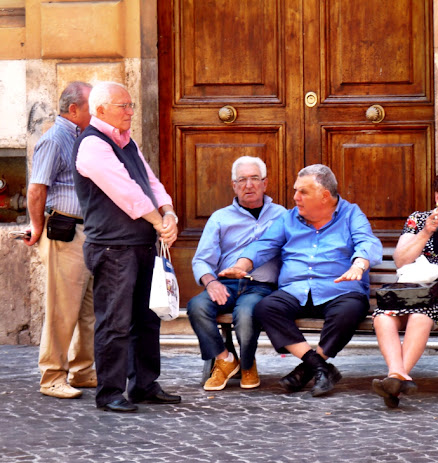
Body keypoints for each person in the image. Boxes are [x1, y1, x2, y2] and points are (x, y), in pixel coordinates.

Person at [220, 164, 382, 397]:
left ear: (324, 196)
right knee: (266, 308)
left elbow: (368, 242)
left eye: (303, 192)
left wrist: (359, 265)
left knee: (349, 310)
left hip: (339, 289)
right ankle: (319, 367)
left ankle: (305, 371)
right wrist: (240, 266)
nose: (295, 197)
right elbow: (263, 246)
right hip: (295, 290)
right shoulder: (288, 219)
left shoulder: (351, 214)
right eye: (296, 190)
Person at [72, 81, 181, 413]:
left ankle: (144, 384)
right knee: (114, 321)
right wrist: (159, 222)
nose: (131, 112)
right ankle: (109, 392)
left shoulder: (126, 141)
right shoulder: (92, 145)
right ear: (101, 109)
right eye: (124, 106)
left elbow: (149, 182)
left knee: (147, 319)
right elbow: (127, 193)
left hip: (141, 243)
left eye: (131, 105)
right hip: (112, 247)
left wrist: (169, 212)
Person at [372, 168, 438, 407]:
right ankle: (398, 375)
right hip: (410, 291)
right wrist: (425, 233)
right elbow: (401, 260)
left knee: (422, 316)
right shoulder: (417, 220)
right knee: (382, 317)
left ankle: (395, 380)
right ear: (437, 197)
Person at [187, 156, 286, 391]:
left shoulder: (282, 215)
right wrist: (211, 283)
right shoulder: (220, 218)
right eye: (242, 180)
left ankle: (248, 364)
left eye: (254, 179)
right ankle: (226, 359)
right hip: (226, 285)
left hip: (260, 286)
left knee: (246, 312)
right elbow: (201, 259)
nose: (248, 185)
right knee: (197, 306)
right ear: (234, 185)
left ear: (265, 183)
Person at [23, 82, 96, 399]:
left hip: (87, 232)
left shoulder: (81, 137)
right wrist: (37, 227)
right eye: (94, 105)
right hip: (64, 231)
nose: (99, 112)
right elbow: (37, 189)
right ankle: (52, 376)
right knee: (61, 309)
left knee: (88, 310)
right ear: (75, 109)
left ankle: (83, 371)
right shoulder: (55, 139)